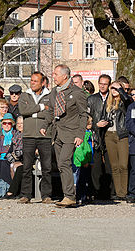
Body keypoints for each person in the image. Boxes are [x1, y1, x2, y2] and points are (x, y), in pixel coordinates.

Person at [49, 64, 88, 207]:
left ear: (64, 76)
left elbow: (83, 115)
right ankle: (68, 195)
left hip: (71, 133)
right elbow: (50, 111)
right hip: (57, 132)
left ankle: (70, 196)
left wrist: (80, 135)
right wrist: (44, 126)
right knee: (61, 164)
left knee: (64, 162)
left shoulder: (77, 92)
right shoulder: (54, 92)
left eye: (55, 74)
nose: (53, 76)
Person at [17, 71, 55, 203]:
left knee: (46, 167)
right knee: (26, 166)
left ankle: (46, 195)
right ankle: (25, 195)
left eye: (35, 81)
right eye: (31, 80)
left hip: (45, 136)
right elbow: (23, 111)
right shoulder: (24, 95)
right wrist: (41, 107)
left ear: (42, 82)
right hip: (28, 135)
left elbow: (51, 113)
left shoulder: (49, 95)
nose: (32, 83)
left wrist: (33, 113)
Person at [98, 83, 130, 201]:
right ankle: (119, 192)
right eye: (112, 88)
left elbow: (128, 100)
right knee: (114, 166)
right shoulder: (107, 103)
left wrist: (121, 91)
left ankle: (124, 191)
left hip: (122, 135)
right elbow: (102, 116)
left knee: (123, 165)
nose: (114, 90)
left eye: (117, 88)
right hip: (109, 135)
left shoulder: (124, 102)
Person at [86, 73, 113, 199]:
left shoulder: (112, 98)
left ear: (109, 85)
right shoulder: (91, 99)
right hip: (95, 135)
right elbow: (87, 118)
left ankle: (109, 192)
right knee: (95, 167)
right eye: (100, 84)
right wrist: (95, 125)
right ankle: (96, 192)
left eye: (105, 84)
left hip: (109, 134)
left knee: (109, 165)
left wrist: (108, 123)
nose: (102, 86)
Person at [0, 112, 23, 183]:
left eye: (9, 123)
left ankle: (6, 187)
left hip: (12, 157)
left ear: (12, 124)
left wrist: (5, 150)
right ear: (2, 124)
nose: (7, 125)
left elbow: (17, 148)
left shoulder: (17, 134)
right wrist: (7, 148)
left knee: (3, 163)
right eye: (5, 123)